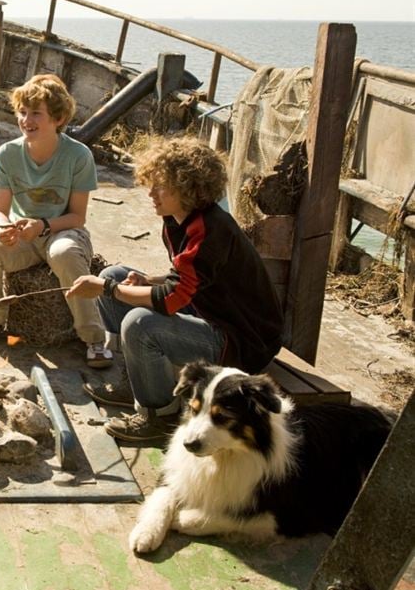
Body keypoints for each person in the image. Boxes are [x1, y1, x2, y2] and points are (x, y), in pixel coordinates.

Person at [67, 136, 284, 442]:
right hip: (211, 313)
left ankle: (158, 417)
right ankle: (136, 381)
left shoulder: (210, 230)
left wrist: (106, 288)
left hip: (242, 341)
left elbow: (171, 300)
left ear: (189, 188)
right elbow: (184, 279)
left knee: (139, 324)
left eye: (161, 186)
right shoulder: (177, 218)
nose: (150, 193)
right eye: (151, 183)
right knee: (114, 273)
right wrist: (141, 282)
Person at [0, 73, 110, 367]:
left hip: (63, 230)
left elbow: (77, 217)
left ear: (57, 118)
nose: (25, 119)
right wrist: (3, 228)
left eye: (35, 113)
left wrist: (43, 226)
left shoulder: (78, 155)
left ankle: (94, 338)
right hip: (23, 233)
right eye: (21, 112)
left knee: (64, 253)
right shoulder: (8, 153)